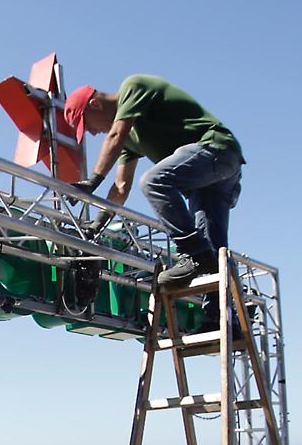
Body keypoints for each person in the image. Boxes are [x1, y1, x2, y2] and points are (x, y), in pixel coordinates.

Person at [65, 76, 244, 323]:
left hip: (216, 149)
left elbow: (116, 134)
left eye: (88, 125)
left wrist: (93, 180)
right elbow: (120, 187)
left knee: (154, 182)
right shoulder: (130, 140)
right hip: (207, 183)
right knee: (214, 253)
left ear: (95, 104)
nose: (94, 133)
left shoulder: (133, 87)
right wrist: (97, 225)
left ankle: (192, 255)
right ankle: (222, 318)